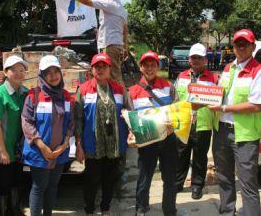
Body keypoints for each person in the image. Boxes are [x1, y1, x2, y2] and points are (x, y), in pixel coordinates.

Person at [208, 29, 261, 216]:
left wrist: (224, 109)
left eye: (245, 44)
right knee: (224, 178)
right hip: (222, 132)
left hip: (244, 135)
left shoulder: (259, 72)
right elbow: (219, 94)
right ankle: (227, 212)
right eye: (238, 44)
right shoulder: (228, 69)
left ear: (253, 46)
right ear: (233, 47)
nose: (241, 47)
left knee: (248, 183)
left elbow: (256, 105)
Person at [74, 53, 132, 216]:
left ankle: (105, 209)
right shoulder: (84, 89)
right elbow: (78, 119)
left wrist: (131, 133)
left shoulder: (120, 89)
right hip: (93, 146)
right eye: (97, 67)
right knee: (91, 181)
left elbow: (129, 113)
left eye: (104, 66)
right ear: (92, 69)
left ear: (109, 69)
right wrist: (78, 145)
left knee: (110, 180)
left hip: (115, 145)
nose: (100, 70)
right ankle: (90, 210)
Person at [21, 55, 74, 216]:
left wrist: (64, 145)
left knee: (53, 186)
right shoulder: (33, 95)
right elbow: (26, 122)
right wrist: (43, 147)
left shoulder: (66, 96)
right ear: (42, 76)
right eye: (48, 72)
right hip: (39, 152)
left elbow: (71, 122)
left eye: (56, 71)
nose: (53, 76)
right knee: (39, 187)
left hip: (59, 152)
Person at [129, 50, 179, 216]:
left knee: (170, 179)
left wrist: (176, 123)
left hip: (168, 139)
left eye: (153, 65)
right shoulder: (133, 91)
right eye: (146, 65)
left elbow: (177, 111)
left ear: (158, 66)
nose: (149, 68)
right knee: (144, 178)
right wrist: (131, 133)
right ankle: (141, 209)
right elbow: (130, 117)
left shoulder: (168, 87)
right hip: (147, 141)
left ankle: (170, 210)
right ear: (141, 67)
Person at [56, 0, 128, 83]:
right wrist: (125, 47)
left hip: (109, 45)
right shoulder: (121, 9)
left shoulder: (110, 4)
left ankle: (119, 97)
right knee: (111, 76)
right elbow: (125, 29)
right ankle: (114, 96)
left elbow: (88, 1)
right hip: (115, 45)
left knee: (112, 77)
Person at [174, 43, 218, 199]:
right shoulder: (181, 77)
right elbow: (175, 99)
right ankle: (177, 183)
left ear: (205, 59)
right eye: (194, 57)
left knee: (200, 157)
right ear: (189, 60)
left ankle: (197, 186)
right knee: (180, 156)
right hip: (183, 124)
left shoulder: (214, 78)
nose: (196, 60)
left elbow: (218, 101)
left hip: (203, 124)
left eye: (199, 57)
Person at [0, 55, 28, 216]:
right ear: (5, 72)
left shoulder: (24, 92)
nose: (19, 73)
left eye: (22, 70)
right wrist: (2, 151)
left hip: (17, 148)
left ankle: (14, 210)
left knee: (17, 181)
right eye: (14, 70)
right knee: (2, 185)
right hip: (2, 149)